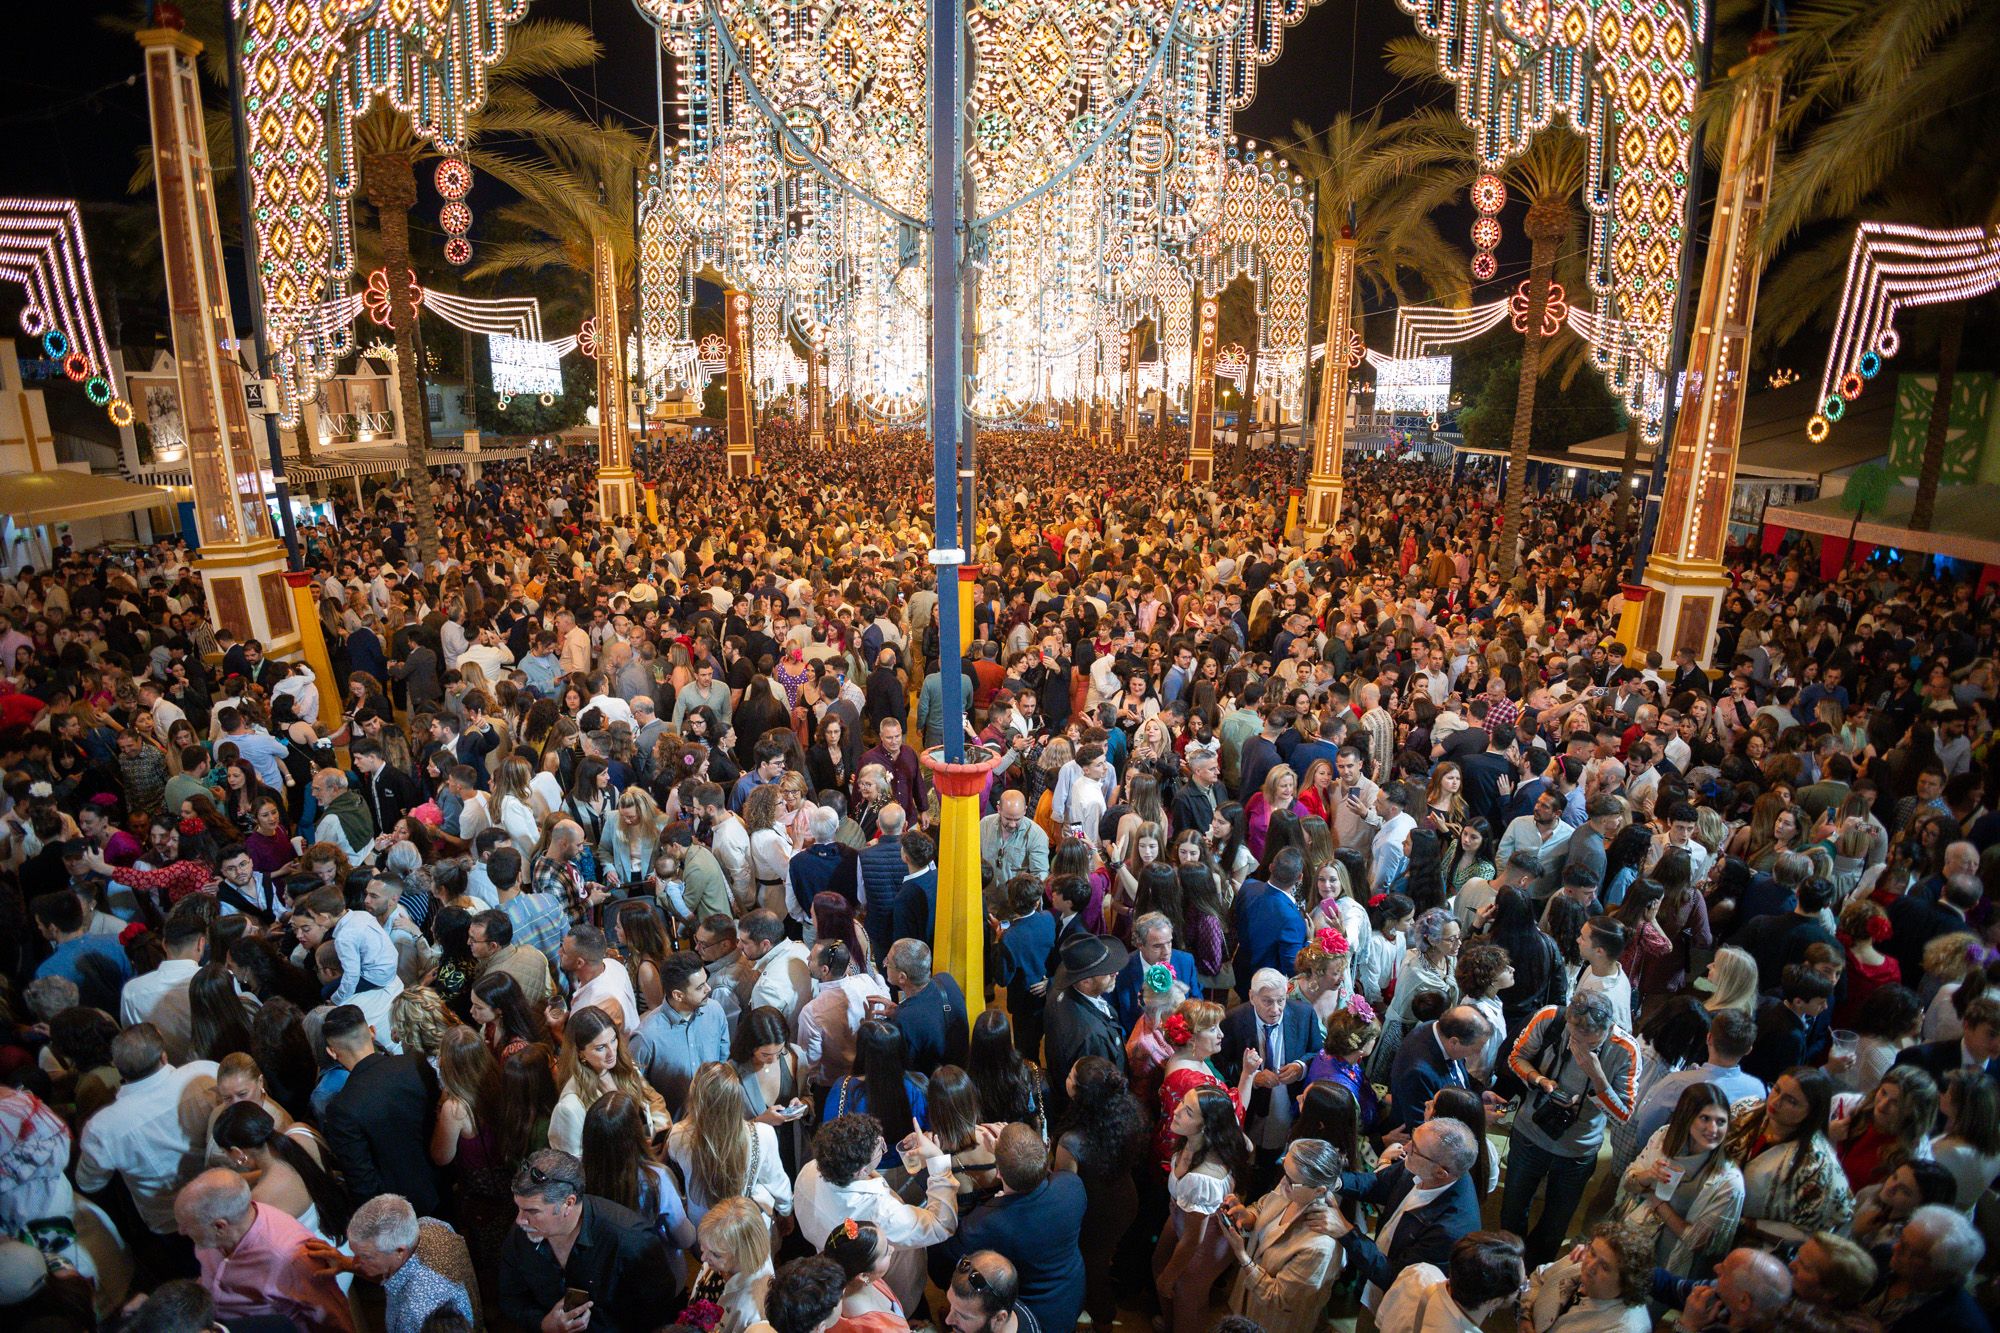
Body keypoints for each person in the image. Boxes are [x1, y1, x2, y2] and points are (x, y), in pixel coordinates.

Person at [1501, 992, 1640, 1267]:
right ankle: (1507, 1267)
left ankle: (1534, 1273)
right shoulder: (1550, 1017)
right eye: (1574, 1038)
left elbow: (1623, 1114)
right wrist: (1541, 1081)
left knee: (1556, 1223)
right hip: (1531, 1131)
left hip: (1578, 1148)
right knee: (1513, 1209)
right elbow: (1516, 1057)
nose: (1578, 1048)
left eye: (1589, 1043)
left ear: (1609, 1028)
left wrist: (1597, 1075)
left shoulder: (1625, 1049)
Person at [497, 1149, 677, 1333]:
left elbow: (656, 1315)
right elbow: (510, 1298)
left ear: (568, 1203)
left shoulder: (631, 1241)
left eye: (532, 1211)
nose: (520, 1220)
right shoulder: (522, 1234)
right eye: (519, 1208)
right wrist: (543, 1324)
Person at [74, 1024, 219, 1250]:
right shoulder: (204, 1073)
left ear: (117, 1067)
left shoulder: (103, 1127)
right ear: (163, 1057)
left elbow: (89, 1182)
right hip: (224, 1195)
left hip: (169, 1222)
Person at [793, 1114, 957, 1313]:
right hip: (890, 1286)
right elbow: (942, 1224)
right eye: (879, 1146)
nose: (882, 1144)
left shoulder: (809, 1171)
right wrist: (936, 1160)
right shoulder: (881, 1213)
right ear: (860, 1171)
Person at [173, 1169, 353, 1333]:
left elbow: (331, 1316)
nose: (181, 1231)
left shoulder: (290, 1256)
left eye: (187, 1226)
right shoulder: (210, 1235)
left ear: (220, 1226)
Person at [947, 1125, 1087, 1333]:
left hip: (1032, 1313)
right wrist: (1011, 1155)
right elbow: (1044, 1175)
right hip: (1072, 1294)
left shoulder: (987, 1222)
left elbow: (950, 1253)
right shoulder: (1072, 1187)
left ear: (998, 1173)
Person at [1330, 1117, 1482, 1306]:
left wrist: (1346, 1232)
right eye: (1412, 1139)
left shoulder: (1449, 1230)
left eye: (1415, 1149)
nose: (1406, 1148)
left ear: (1441, 1173)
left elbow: (1396, 1277)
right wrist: (1336, 1181)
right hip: (1375, 1265)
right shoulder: (1424, 1164)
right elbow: (1378, 1183)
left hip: (1395, 1303)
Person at [319, 1003, 444, 1216]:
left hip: (403, 1210)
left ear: (332, 1052)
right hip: (445, 1181)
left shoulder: (341, 1109)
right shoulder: (415, 1063)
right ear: (372, 1032)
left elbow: (362, 1183)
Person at [1052, 1055, 1145, 1330]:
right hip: (1125, 1198)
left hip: (1097, 1213)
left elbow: (1064, 1187)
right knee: (1103, 1258)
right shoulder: (1124, 1114)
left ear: (1081, 1094)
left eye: (1071, 1076)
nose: (1066, 1077)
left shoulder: (1072, 1141)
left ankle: (1103, 1318)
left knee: (1093, 1269)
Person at [1613, 1082, 1744, 1275]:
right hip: (1631, 1241)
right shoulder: (1664, 1137)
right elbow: (1629, 1183)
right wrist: (1648, 1176)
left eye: (1721, 1121)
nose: (1713, 1129)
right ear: (1687, 1118)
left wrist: (1658, 1203)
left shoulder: (1728, 1182)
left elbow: (1697, 1242)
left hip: (1668, 1264)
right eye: (1705, 1119)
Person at [1220, 1137, 1346, 1333]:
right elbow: (1263, 1207)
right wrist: (1248, 1216)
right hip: (1249, 1303)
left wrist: (1242, 1256)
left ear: (1319, 1190)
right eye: (1284, 1172)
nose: (1282, 1182)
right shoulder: (1292, 1187)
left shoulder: (1319, 1246)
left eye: (1290, 1180)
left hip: (1273, 1322)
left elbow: (1279, 1298)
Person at [300, 1194, 478, 1333]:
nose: (355, 1261)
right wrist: (346, 1264)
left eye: (367, 1256)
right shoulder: (430, 1225)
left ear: (399, 1251)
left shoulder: (415, 1314)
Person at [1724, 1066, 1854, 1248]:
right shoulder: (1746, 1109)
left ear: (1811, 1112)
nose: (1776, 1102)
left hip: (1752, 1246)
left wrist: (1747, 1224)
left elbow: (1811, 1233)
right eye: (1776, 1089)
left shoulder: (1819, 1165)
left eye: (1791, 1101)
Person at [1219, 968, 1323, 1184]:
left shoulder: (1304, 1014)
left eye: (1281, 1001)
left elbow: (1317, 1052)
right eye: (1267, 1001)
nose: (1275, 1009)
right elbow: (1221, 1065)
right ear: (1251, 997)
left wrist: (1300, 1066)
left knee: (1272, 1156)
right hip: (1250, 1107)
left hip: (1286, 1102)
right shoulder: (1233, 1020)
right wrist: (1251, 1077)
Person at [550, 1003, 668, 1158]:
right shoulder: (569, 1107)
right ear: (580, 1054)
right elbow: (573, 1165)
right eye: (600, 1048)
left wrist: (656, 1136)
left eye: (613, 1040)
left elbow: (654, 1101)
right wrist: (633, 1154)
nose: (612, 1052)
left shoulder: (626, 1069)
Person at [629, 949, 731, 1114]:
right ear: (678, 995)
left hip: (714, 1119)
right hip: (674, 1131)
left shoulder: (715, 1011)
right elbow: (634, 1089)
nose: (708, 989)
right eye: (699, 987)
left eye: (705, 982)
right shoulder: (647, 1036)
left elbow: (723, 1061)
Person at [1861, 1204, 1991, 1333]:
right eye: (1901, 1238)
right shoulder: (1883, 1256)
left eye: (1909, 1250)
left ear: (1942, 1272)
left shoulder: (1960, 1324)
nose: (1895, 1248)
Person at [1374, 1230, 1530, 1333]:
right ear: (1494, 1301)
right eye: (1521, 1285)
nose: (1525, 1285)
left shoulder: (1418, 1273)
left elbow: (1381, 1319)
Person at [1041, 934, 1128, 1116]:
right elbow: (1099, 1092)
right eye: (1107, 972)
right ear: (1086, 981)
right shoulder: (1091, 1036)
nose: (1116, 973)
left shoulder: (1060, 990)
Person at [1517, 1220, 1652, 1333]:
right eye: (1592, 1252)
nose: (1589, 1266)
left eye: (1604, 1267)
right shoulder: (1578, 1260)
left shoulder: (1625, 1328)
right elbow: (1538, 1278)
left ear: (1627, 1282)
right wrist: (1525, 1316)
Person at [1389, 1006, 1495, 1134]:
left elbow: (1458, 1073)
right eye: (1475, 1048)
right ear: (1454, 1042)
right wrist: (1477, 1119)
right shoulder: (1417, 1073)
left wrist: (1480, 1093)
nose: (1478, 1053)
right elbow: (1424, 1127)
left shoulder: (1439, 1029)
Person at [685, 1196, 774, 1333]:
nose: (703, 1258)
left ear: (743, 1255)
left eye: (716, 1254)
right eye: (703, 1248)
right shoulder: (723, 1254)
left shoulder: (751, 1311)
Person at [883, 938, 969, 1076]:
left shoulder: (905, 1021)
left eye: (888, 962)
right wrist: (899, 1010)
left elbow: (906, 1070)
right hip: (959, 1073)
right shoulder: (946, 979)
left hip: (932, 1086)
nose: (885, 964)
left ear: (902, 977)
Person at [943, 1250, 1041, 1333]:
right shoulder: (1000, 1299)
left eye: (963, 1316)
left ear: (999, 1319)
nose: (948, 1320)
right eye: (951, 1305)